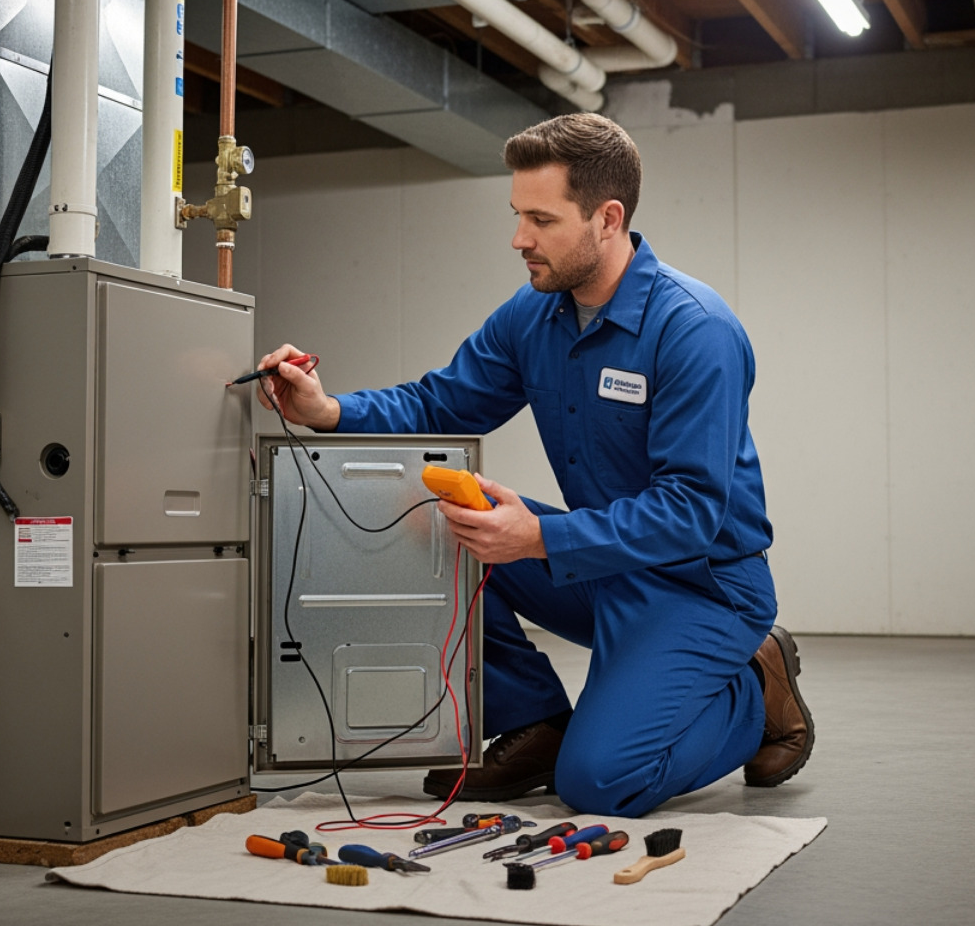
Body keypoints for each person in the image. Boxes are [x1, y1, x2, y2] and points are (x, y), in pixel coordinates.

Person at [257, 113, 813, 817]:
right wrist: (328, 411)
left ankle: (752, 687)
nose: (519, 238)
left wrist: (544, 539)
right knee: (443, 523)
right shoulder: (534, 316)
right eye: (518, 215)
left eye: (541, 220)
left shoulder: (692, 331)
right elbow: (440, 402)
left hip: (701, 589)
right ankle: (538, 722)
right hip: (603, 567)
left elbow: (692, 512)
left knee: (601, 783)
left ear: (606, 219)